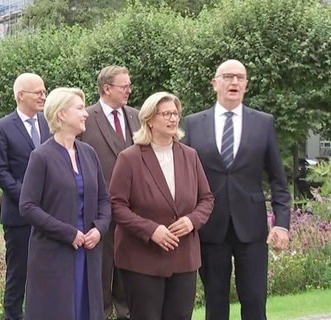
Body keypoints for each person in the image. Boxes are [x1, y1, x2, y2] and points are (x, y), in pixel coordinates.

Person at [182, 59, 291, 320]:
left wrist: (282, 223)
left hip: (252, 230)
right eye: (228, 76)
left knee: (254, 301)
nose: (234, 82)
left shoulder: (263, 123)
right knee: (215, 303)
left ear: (246, 85)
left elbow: (278, 179)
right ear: (215, 83)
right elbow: (185, 176)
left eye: (240, 78)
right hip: (210, 228)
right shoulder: (194, 123)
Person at [109, 92, 214, 319]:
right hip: (142, 258)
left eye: (176, 113)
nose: (173, 118)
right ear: (149, 120)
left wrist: (192, 220)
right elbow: (117, 205)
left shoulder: (190, 155)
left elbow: (206, 199)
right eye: (166, 113)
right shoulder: (130, 158)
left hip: (184, 256)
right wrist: (151, 230)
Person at [19, 87, 111, 320]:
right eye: (80, 108)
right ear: (61, 114)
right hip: (54, 253)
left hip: (88, 252)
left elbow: (104, 200)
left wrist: (99, 230)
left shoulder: (89, 153)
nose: (86, 113)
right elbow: (28, 206)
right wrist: (68, 232)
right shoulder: (41, 156)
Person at [77, 65, 139, 319]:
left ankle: (126, 313)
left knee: (128, 268)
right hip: (98, 210)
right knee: (100, 271)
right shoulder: (85, 117)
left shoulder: (136, 116)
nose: (129, 91)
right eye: (124, 86)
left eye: (129, 86)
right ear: (106, 88)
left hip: (133, 209)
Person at [0, 73, 51, 320]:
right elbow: (0, 172)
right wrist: (29, 198)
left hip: (50, 213)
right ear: (20, 95)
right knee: (18, 273)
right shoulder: (2, 127)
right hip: (19, 215)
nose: (43, 96)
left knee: (47, 272)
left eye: (44, 91)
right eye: (37, 92)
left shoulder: (48, 124)